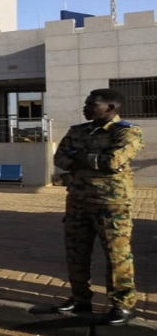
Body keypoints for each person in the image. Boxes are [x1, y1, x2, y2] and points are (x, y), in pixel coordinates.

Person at [52, 89, 143, 326]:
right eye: (86, 104)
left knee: (117, 256)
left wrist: (81, 159)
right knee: (76, 254)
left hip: (110, 204)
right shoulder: (78, 131)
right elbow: (59, 158)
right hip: (78, 202)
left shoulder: (128, 131)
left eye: (92, 105)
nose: (85, 108)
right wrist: (94, 159)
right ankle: (80, 298)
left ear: (111, 108)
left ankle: (123, 305)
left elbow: (113, 161)